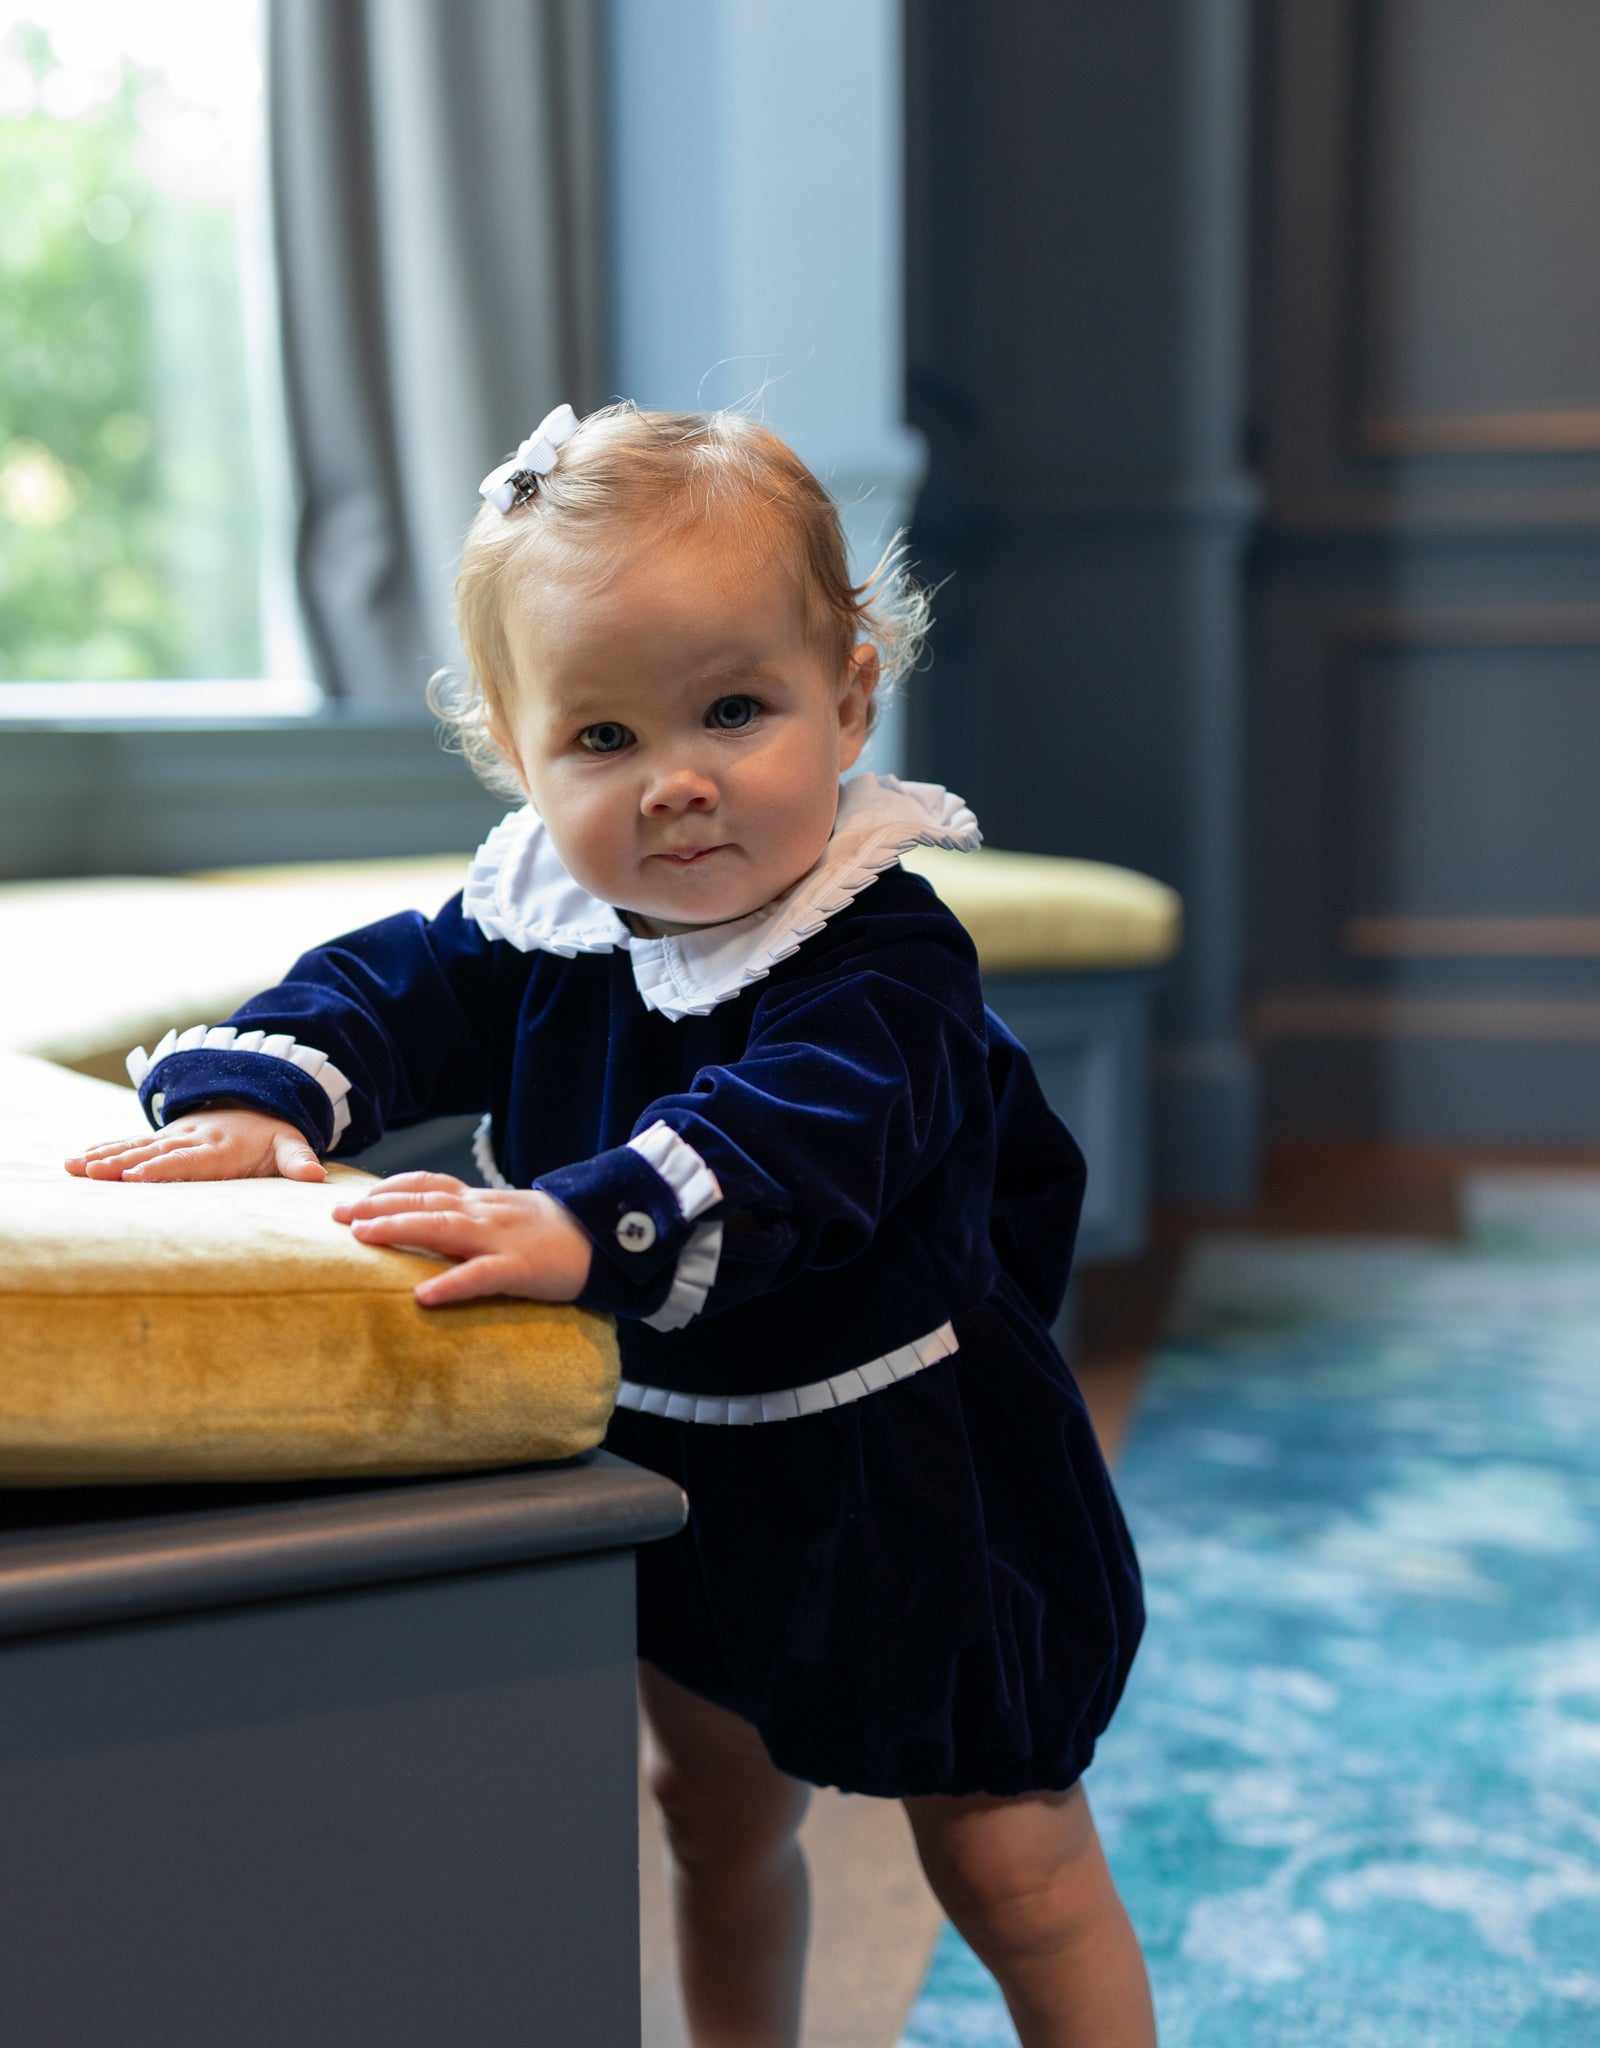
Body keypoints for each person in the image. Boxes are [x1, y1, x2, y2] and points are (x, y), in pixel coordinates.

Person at [67, 403, 1151, 2048]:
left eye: (735, 710)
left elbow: (792, 1134)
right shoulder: (539, 925)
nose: (679, 787)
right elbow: (380, 991)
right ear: (517, 750)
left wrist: (586, 1224)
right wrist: (267, 1099)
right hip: (678, 1459)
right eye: (603, 741)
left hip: (916, 1475)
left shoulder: (886, 958)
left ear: (849, 697)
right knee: (712, 1816)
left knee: (1009, 1860)